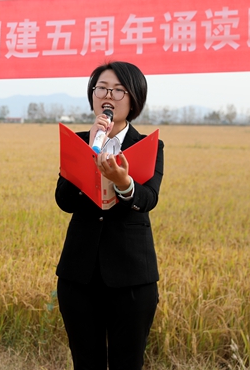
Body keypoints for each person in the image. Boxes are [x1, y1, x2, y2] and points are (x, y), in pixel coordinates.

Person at [55, 61, 164, 369]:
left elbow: (148, 199)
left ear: (134, 99)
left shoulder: (148, 145)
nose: (107, 96)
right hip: (79, 275)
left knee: (127, 362)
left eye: (118, 90)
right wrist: (90, 149)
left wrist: (124, 183)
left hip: (132, 277)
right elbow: (64, 200)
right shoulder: (77, 141)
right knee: (85, 361)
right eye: (101, 88)